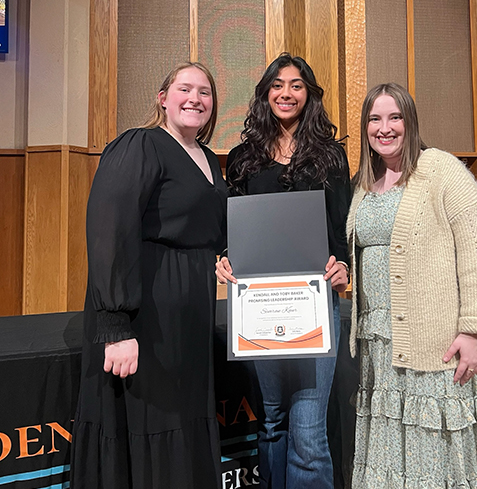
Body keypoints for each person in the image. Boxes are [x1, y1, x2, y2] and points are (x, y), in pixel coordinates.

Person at [70, 63, 228, 489]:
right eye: (185, 89)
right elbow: (110, 228)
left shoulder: (210, 159)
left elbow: (210, 229)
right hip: (146, 311)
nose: (195, 98)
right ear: (163, 98)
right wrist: (116, 324)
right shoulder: (141, 145)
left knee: (182, 414)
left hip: (189, 314)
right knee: (149, 416)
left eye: (205, 92)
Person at [348, 82, 477, 488]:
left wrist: (475, 330)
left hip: (434, 342)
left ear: (410, 122)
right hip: (380, 346)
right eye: (374, 119)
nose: (385, 128)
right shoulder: (365, 184)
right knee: (393, 451)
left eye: (394, 117)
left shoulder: (441, 170)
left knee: (433, 454)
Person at [216, 53, 350, 489]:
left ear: (308, 93)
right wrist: (222, 257)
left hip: (314, 308)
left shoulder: (330, 157)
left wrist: (343, 267)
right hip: (257, 308)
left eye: (296, 85)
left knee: (308, 429)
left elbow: (341, 232)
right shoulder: (242, 159)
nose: (286, 93)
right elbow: (228, 230)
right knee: (272, 420)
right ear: (265, 93)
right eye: (277, 84)